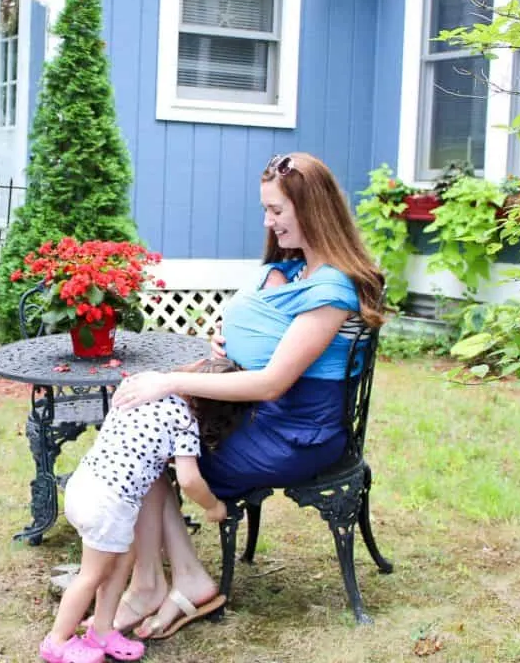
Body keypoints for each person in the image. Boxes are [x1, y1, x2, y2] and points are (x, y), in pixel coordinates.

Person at [105, 152, 385, 640]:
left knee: (153, 443)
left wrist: (171, 380)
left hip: (296, 435)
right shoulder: (302, 272)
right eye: (266, 209)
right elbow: (276, 350)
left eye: (277, 210)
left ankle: (156, 581)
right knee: (149, 431)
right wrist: (230, 341)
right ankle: (159, 581)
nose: (267, 221)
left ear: (312, 209)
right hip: (267, 418)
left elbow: (272, 382)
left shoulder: (332, 288)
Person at [38, 362, 243, 663]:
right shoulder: (184, 421)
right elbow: (188, 480)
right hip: (109, 502)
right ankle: (57, 641)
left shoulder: (141, 384)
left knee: (121, 565)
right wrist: (213, 506)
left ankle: (103, 631)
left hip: (88, 484)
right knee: (93, 575)